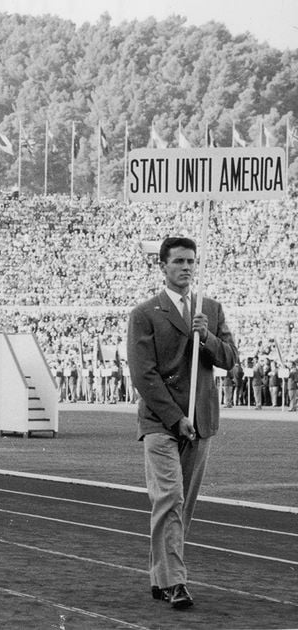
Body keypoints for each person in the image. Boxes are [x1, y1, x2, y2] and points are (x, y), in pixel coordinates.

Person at [126, 236, 237, 611]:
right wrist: (176, 418)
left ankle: (161, 576)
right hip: (161, 422)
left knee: (181, 505)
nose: (186, 268)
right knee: (169, 498)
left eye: (191, 261)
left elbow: (230, 359)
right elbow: (144, 375)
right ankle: (175, 581)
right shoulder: (145, 313)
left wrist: (205, 336)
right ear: (163, 266)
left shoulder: (211, 310)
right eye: (179, 262)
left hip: (202, 420)